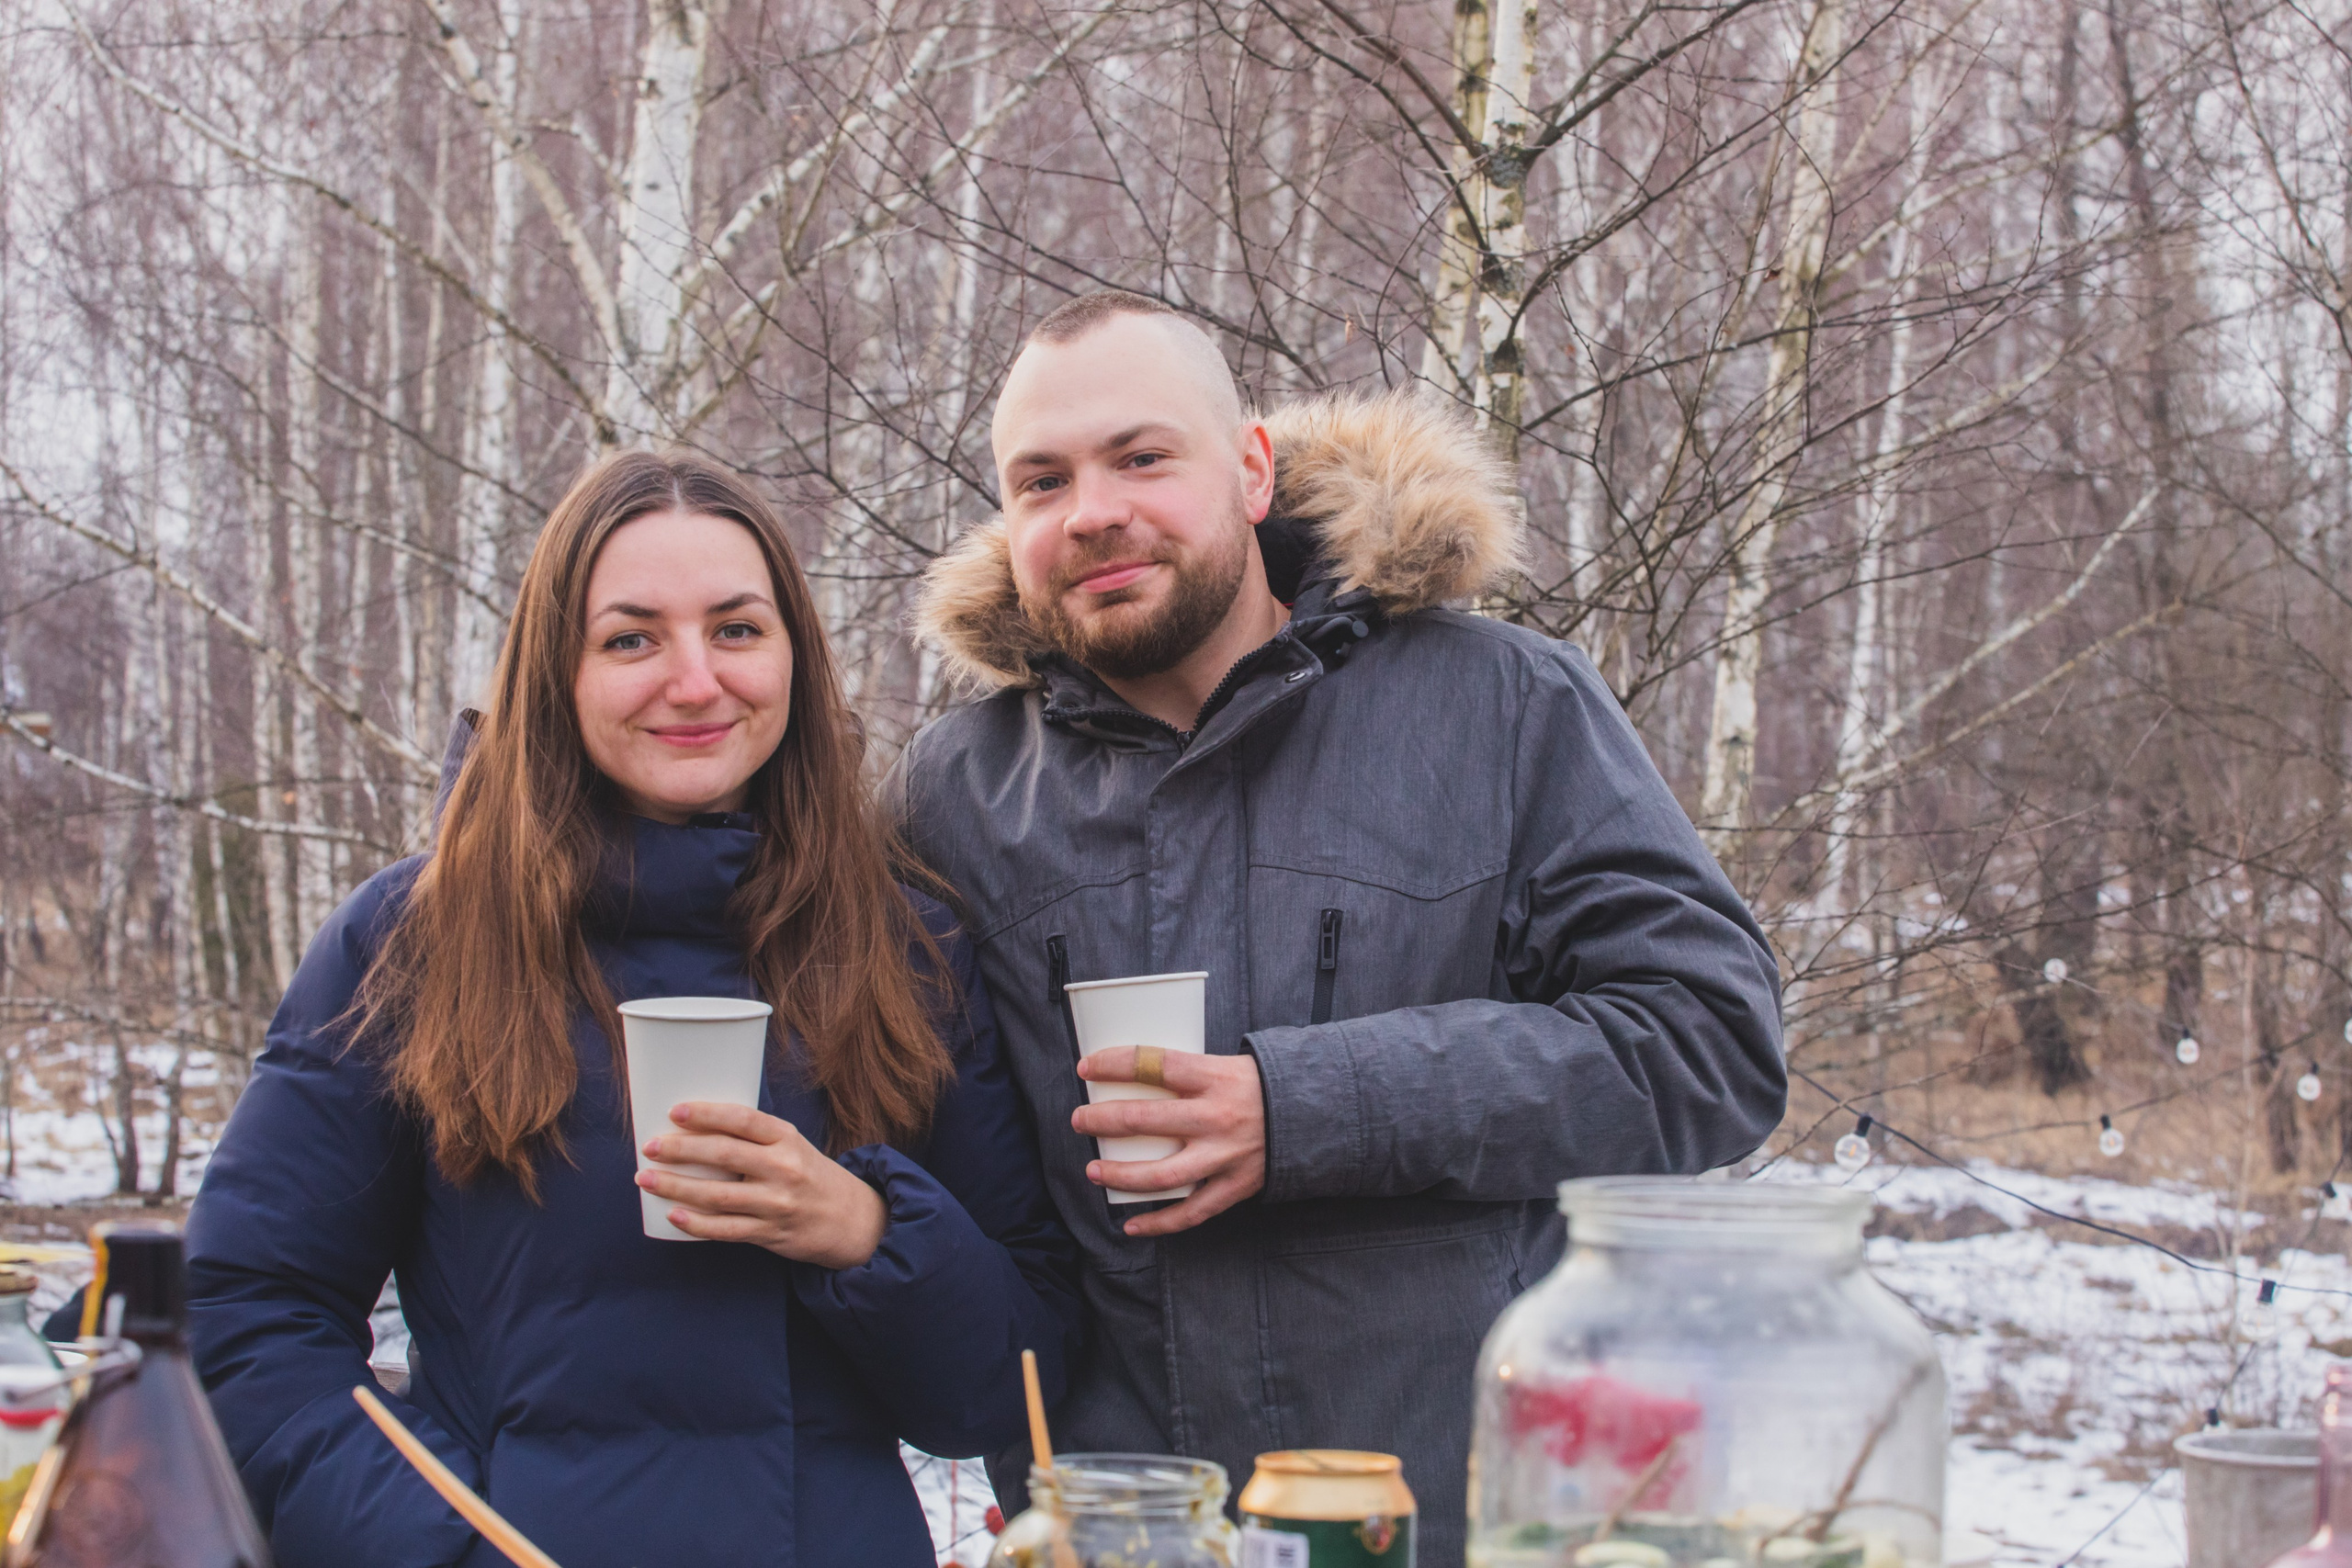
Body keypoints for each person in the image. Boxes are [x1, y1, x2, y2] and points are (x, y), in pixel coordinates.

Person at [890, 291, 1788, 1564]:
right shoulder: (954, 791)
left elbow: (1711, 1045)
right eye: (1042, 479)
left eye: (1143, 457)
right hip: (1127, 1531)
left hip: (1458, 1520)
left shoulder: (1505, 708)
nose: (1092, 510)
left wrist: (1304, 1106)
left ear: (1252, 468)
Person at [185, 452, 1081, 1568]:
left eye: (738, 629)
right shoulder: (415, 938)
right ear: (554, 672)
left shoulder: (904, 944)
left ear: (794, 656)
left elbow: (1008, 1389)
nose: (696, 680)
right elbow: (249, 1315)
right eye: (631, 637)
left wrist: (866, 1233)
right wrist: (447, 1547)